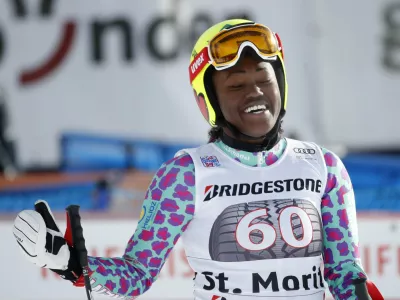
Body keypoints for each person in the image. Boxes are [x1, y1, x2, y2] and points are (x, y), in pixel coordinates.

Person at [12, 19, 384, 300]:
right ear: (210, 102)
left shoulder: (323, 165)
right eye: (235, 85)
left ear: (280, 87)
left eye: (264, 79)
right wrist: (70, 264)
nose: (254, 91)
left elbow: (343, 273)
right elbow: (137, 273)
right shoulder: (186, 175)